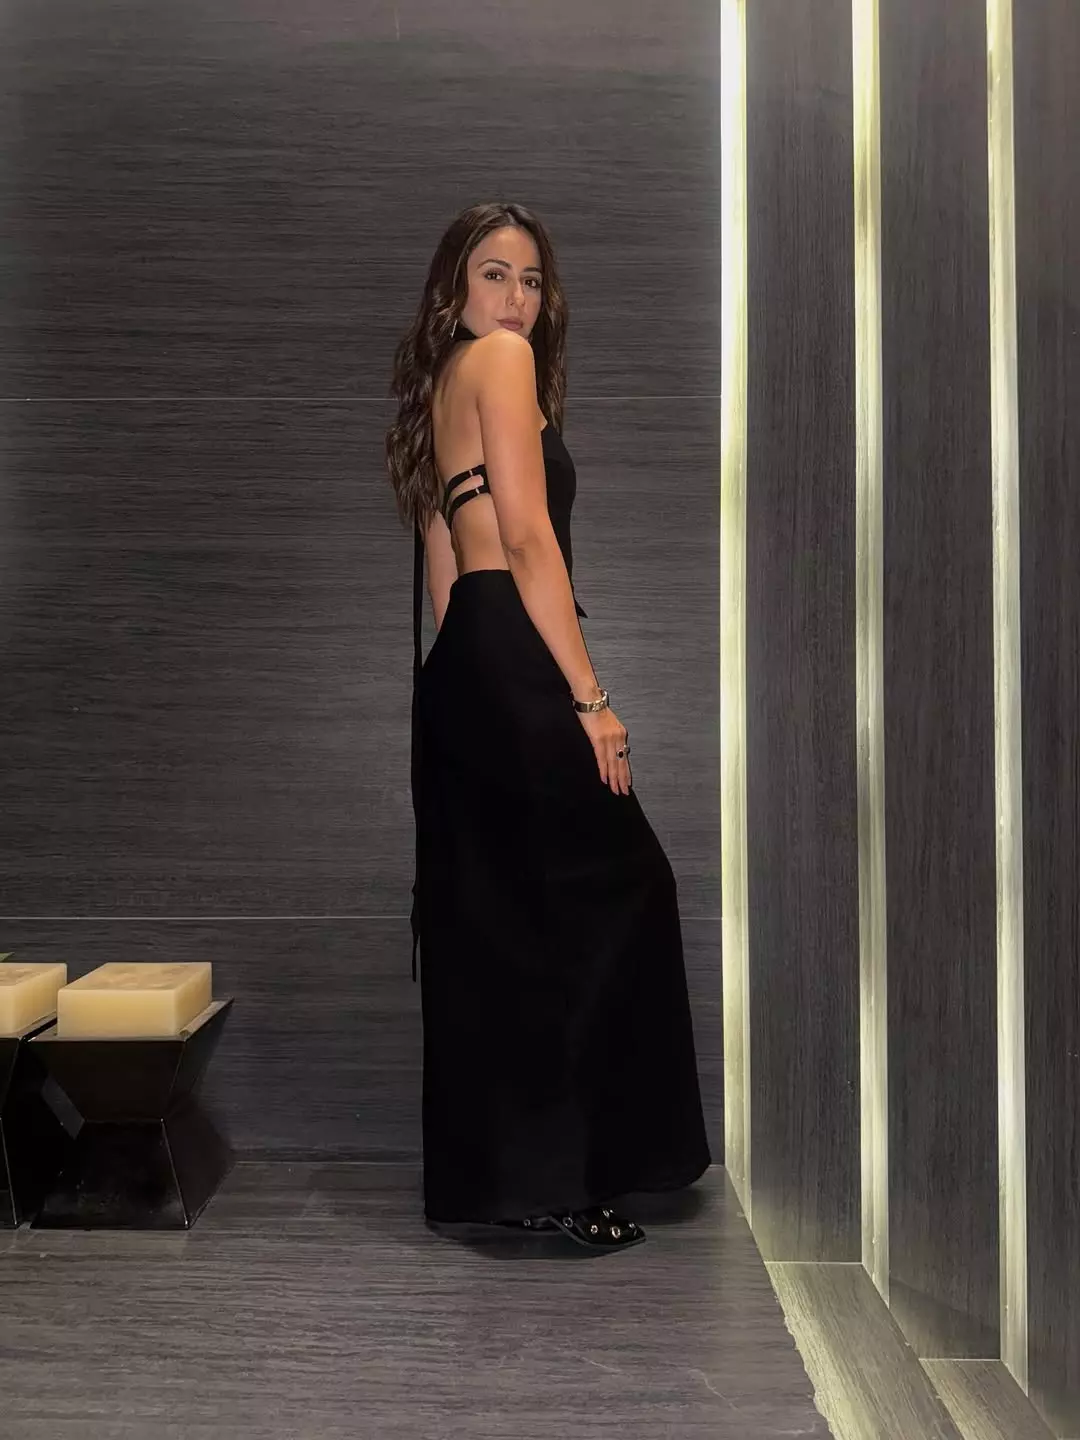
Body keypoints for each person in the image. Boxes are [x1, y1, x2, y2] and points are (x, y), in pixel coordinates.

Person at [386, 201, 709, 1252]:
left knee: (504, 917)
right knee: (614, 890)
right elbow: (528, 540)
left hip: (464, 664)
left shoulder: (439, 391)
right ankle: (567, 1171)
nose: (517, 299)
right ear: (455, 288)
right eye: (494, 274)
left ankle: (521, 1177)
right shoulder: (502, 364)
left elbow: (446, 575)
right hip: (515, 647)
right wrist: (588, 699)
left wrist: (464, 689)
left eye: (531, 281)